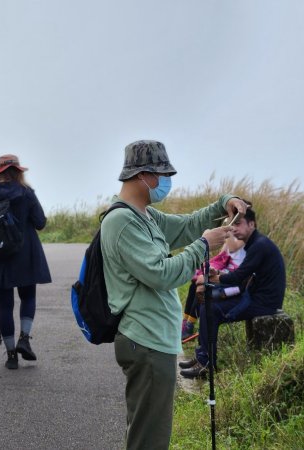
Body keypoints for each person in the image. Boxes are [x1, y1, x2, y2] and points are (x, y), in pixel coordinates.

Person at [100, 140, 248, 450]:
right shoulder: (122, 222)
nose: (165, 182)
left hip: (154, 340)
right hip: (146, 341)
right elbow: (161, 273)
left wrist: (225, 202)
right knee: (149, 441)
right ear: (143, 175)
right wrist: (203, 247)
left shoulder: (144, 216)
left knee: (147, 434)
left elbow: (189, 225)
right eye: (161, 175)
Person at [179, 206, 286, 378]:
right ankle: (202, 357)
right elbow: (242, 277)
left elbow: (239, 277)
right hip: (254, 296)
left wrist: (215, 279)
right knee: (206, 302)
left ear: (252, 224)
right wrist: (218, 275)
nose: (234, 228)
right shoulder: (255, 244)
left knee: (210, 309)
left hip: (264, 303)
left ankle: (206, 364)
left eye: (239, 223)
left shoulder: (259, 246)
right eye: (232, 224)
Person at [0, 154, 51, 370]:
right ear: (18, 172)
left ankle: (10, 356)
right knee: (28, 296)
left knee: (4, 305)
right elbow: (40, 222)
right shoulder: (26, 193)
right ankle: (24, 339)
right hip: (26, 254)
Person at [181, 231, 246, 340]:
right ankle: (186, 322)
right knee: (195, 283)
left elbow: (233, 247)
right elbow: (222, 256)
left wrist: (228, 232)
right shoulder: (233, 235)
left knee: (203, 286)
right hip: (225, 271)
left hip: (235, 275)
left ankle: (189, 325)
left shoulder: (244, 237)